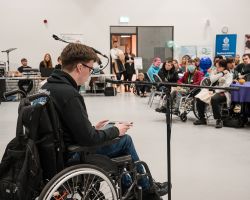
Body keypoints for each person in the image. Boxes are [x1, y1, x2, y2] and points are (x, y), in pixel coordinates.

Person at [41, 43, 168, 198]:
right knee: (124, 140)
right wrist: (116, 130)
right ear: (80, 67)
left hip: (51, 156)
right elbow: (89, 139)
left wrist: (93, 127)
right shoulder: (70, 94)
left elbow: (57, 126)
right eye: (90, 69)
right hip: (71, 156)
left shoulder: (46, 87)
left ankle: (129, 184)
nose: (90, 73)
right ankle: (148, 189)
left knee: (114, 139)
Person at [194, 59, 233, 128]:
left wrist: (216, 91)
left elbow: (226, 86)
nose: (217, 68)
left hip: (222, 92)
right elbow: (212, 79)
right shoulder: (215, 72)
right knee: (198, 97)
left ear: (223, 67)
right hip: (211, 90)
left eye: (218, 67)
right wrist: (221, 73)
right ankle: (202, 118)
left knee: (215, 99)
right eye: (216, 66)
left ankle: (218, 120)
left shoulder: (229, 75)